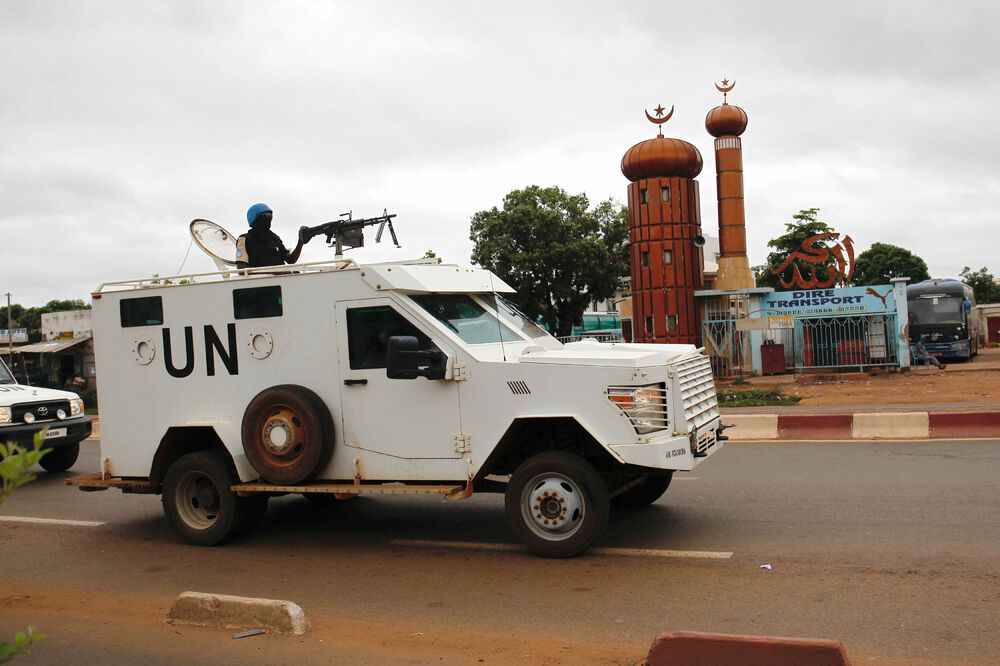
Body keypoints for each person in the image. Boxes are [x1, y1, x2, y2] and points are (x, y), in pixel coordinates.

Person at [236, 203, 310, 269]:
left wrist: (301, 241)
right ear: (255, 219)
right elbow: (241, 267)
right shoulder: (245, 239)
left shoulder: (274, 238)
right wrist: (271, 272)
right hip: (261, 282)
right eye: (266, 216)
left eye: (270, 216)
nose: (269, 219)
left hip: (282, 281)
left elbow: (290, 260)